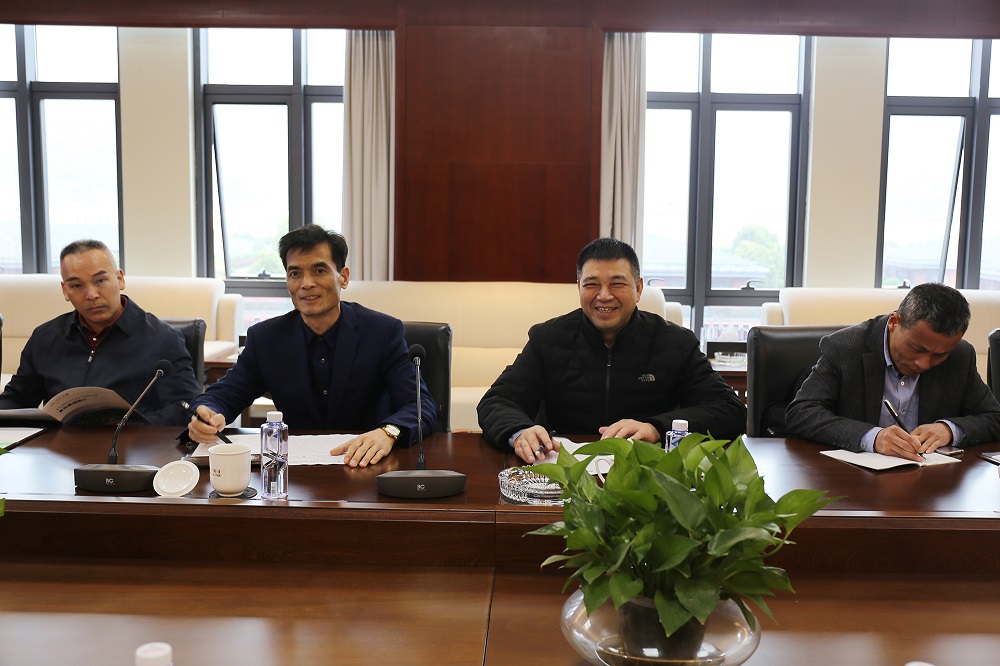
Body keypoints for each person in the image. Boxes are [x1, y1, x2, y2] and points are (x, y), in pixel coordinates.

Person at [477, 237, 747, 463]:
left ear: (638, 289)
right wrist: (520, 431)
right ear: (579, 288)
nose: (604, 295)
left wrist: (656, 427)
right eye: (592, 284)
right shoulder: (547, 338)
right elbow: (497, 401)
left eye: (617, 284)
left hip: (647, 473)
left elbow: (730, 410)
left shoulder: (675, 342)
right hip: (564, 472)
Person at [187, 224, 436, 467]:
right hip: (295, 472)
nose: (306, 284)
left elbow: (420, 405)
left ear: (343, 277)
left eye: (319, 270)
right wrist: (206, 414)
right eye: (295, 273)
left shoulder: (382, 332)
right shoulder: (266, 338)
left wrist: (388, 432)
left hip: (365, 465)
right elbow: (224, 395)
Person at [785, 283, 1000, 460]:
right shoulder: (846, 347)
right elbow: (801, 412)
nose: (923, 363)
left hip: (931, 480)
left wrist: (949, 429)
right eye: (917, 348)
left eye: (939, 355)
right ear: (894, 323)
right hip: (853, 479)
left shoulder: (960, 356)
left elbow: (994, 417)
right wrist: (873, 437)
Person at [0, 240, 199, 426]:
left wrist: (128, 428)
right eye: (76, 285)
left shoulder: (163, 338)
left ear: (120, 279)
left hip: (133, 446)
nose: (91, 295)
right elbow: (17, 399)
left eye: (100, 280)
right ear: (65, 290)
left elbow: (184, 407)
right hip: (57, 447)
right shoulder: (45, 337)